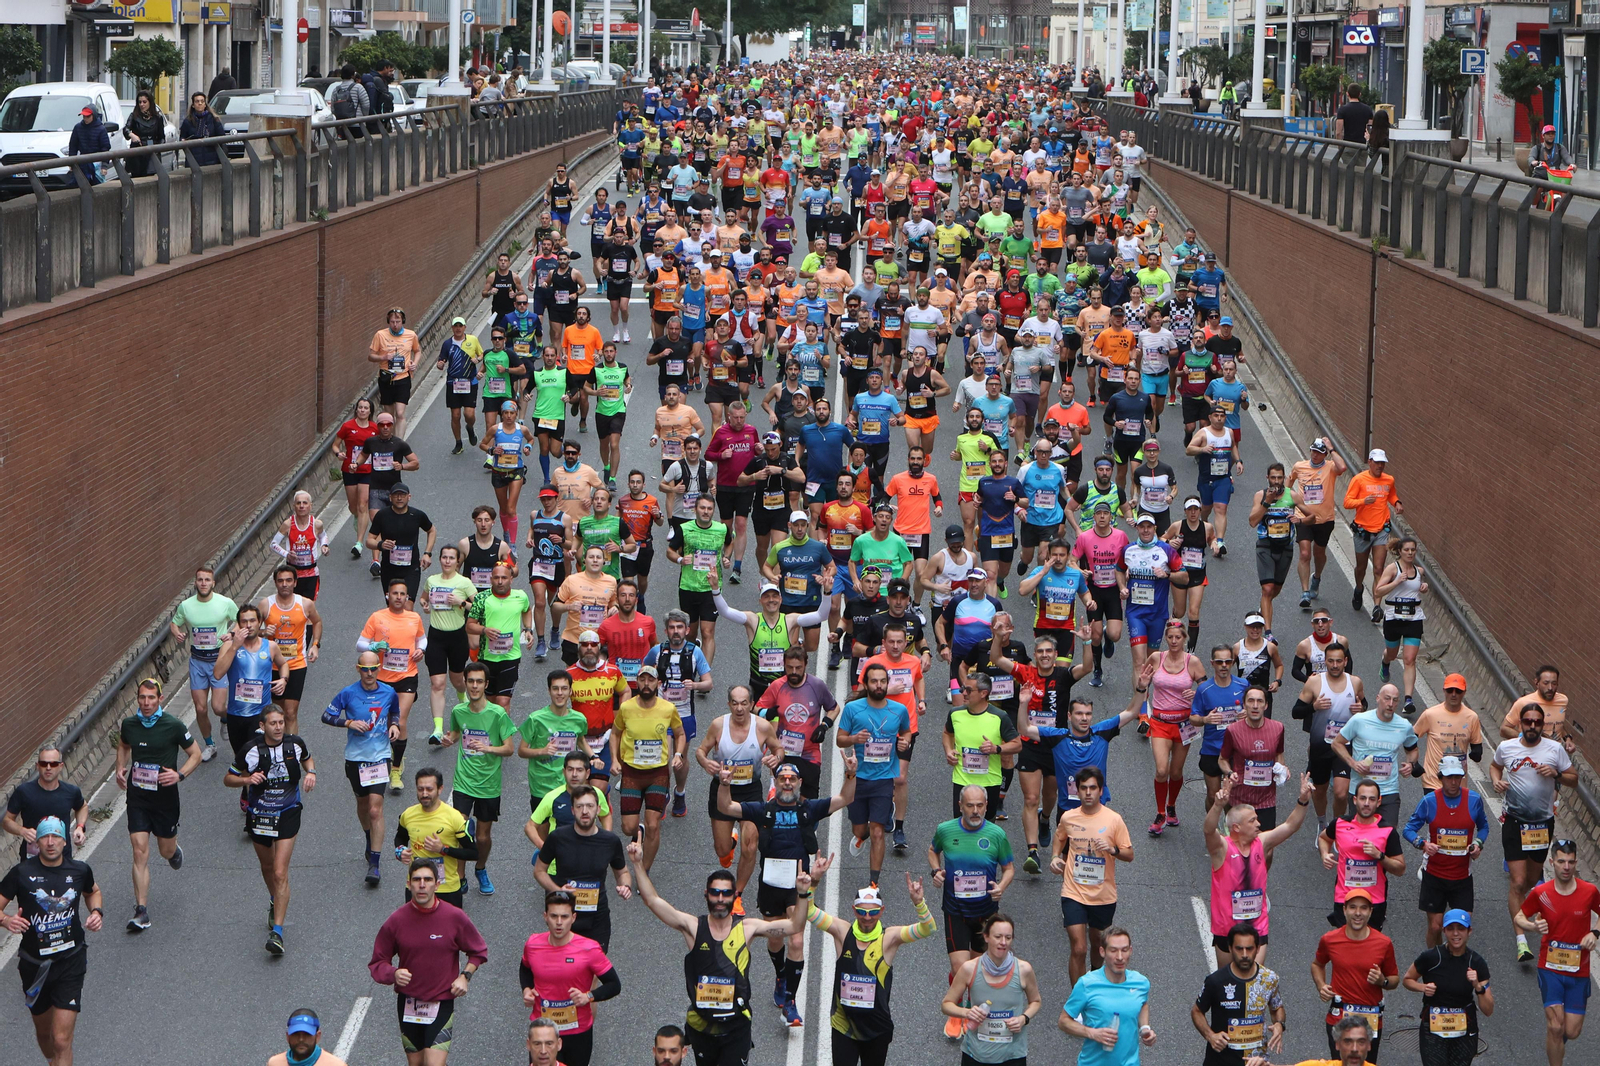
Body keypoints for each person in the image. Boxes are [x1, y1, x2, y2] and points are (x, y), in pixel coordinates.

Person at [629, 840, 810, 1066]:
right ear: (706, 894)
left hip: (736, 1026)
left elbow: (794, 926)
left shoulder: (747, 928)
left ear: (735, 895)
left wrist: (803, 894)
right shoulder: (694, 927)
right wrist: (637, 863)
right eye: (715, 893)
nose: (720, 899)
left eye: (726, 893)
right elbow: (652, 900)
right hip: (702, 1026)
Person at [0, 815, 101, 1065]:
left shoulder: (79, 871)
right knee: (45, 1035)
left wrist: (97, 912)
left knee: (61, 1039)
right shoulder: (22, 873)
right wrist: (6, 921)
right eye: (45, 836)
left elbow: (93, 891)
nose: (50, 842)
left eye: (56, 836)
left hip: (70, 961)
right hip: (34, 965)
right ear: (38, 842)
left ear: (64, 841)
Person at [368, 860, 488, 1066]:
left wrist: (464, 976)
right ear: (409, 884)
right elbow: (378, 962)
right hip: (409, 1003)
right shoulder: (397, 920)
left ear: (437, 884)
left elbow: (478, 951)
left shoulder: (454, 917)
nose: (422, 885)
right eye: (416, 880)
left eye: (427, 880)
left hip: (441, 1001)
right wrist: (393, 974)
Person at [223, 704, 314, 955]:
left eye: (281, 722)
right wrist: (246, 780)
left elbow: (307, 759)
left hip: (287, 812)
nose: (278, 727)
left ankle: (278, 932)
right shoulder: (250, 750)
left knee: (279, 871)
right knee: (267, 867)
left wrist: (312, 773)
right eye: (273, 723)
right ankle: (275, 900)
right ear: (262, 726)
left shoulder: (295, 744)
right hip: (260, 815)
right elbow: (228, 778)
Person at [1492, 703, 1577, 962]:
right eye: (1527, 721)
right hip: (1515, 822)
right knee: (1517, 882)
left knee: (1530, 880)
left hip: (1542, 825)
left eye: (1536, 722)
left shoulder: (1554, 750)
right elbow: (1495, 765)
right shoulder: (1507, 748)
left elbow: (1573, 779)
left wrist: (1557, 774)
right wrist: (1496, 780)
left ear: (1542, 724)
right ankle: (1521, 941)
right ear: (1520, 724)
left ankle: (1520, 904)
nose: (1531, 726)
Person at [115, 678, 201, 932]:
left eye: (151, 698)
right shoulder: (130, 724)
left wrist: (180, 775)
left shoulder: (172, 726)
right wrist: (120, 767)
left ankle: (173, 852)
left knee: (164, 851)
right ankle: (141, 911)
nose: (146, 702)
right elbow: (123, 745)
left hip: (165, 798)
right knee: (139, 850)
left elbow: (195, 754)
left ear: (160, 699)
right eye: (142, 697)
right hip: (138, 797)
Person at [1203, 771, 1313, 969]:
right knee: (1229, 984)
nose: (1259, 824)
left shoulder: (1261, 843)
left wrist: (1303, 801)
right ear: (1236, 827)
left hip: (1257, 927)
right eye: (1252, 821)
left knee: (1254, 981)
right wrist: (1218, 805)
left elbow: (1290, 826)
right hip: (1227, 928)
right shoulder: (1222, 849)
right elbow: (1208, 830)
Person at [1515, 839, 1599, 1066]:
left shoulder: (1589, 891)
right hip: (1549, 967)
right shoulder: (1541, 893)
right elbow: (1519, 916)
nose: (1566, 867)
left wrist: (1595, 932)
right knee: (1555, 1026)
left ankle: (1556, 1044)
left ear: (1576, 863)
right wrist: (1532, 926)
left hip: (1578, 970)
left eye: (1571, 862)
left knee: (1571, 1031)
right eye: (1561, 861)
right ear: (1552, 862)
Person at [1047, 767, 1133, 988]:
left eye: (1092, 788)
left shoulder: (1114, 820)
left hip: (1103, 895)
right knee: (1079, 947)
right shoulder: (1069, 817)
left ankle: (1095, 983)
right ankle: (1079, 997)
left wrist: (1113, 850)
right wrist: (1056, 857)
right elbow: (1059, 838)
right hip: (1073, 891)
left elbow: (1129, 854)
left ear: (1100, 790)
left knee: (1097, 945)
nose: (1087, 793)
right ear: (1077, 790)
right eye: (1083, 788)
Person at [436, 661, 516, 894]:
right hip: (464, 780)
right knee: (459, 829)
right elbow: (456, 733)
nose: (474, 686)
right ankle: (460, 877)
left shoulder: (497, 714)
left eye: (479, 682)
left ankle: (480, 868)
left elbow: (510, 748)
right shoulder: (458, 711)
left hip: (489, 784)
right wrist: (449, 740)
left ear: (486, 684)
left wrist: (488, 748)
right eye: (470, 681)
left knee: (482, 837)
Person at [519, 890, 623, 1066]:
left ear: (573, 918)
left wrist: (588, 996)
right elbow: (525, 969)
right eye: (554, 916)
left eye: (565, 917)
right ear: (545, 916)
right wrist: (527, 989)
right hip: (543, 1032)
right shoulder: (533, 944)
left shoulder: (589, 949)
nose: (559, 923)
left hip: (577, 1031)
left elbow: (614, 984)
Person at [838, 663, 914, 886]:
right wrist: (853, 739)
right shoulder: (853, 709)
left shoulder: (898, 710)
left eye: (883, 681)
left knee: (878, 831)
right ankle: (862, 836)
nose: (879, 685)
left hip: (883, 778)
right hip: (858, 778)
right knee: (860, 829)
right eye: (874, 681)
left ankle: (873, 885)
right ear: (866, 683)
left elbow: (907, 732)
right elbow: (839, 739)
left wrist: (905, 741)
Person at [1401, 755, 1490, 947]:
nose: (1453, 782)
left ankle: (1453, 963)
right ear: (1440, 778)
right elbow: (1408, 830)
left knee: (1461, 927)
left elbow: (1484, 827)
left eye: (1457, 777)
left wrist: (1478, 844)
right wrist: (1423, 844)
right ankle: (1433, 962)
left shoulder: (1473, 800)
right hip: (1434, 874)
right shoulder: (1429, 801)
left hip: (1461, 877)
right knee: (1435, 927)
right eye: (1449, 777)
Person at [533, 785, 632, 951]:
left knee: (594, 968)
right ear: (572, 810)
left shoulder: (610, 841)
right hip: (565, 915)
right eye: (579, 806)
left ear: (598, 809)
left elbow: (623, 872)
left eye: (590, 806)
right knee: (567, 967)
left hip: (597, 915)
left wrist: (625, 886)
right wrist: (558, 890)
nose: (585, 811)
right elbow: (539, 871)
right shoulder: (558, 837)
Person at [940, 912, 1043, 1058]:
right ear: (986, 937)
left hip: (1012, 1056)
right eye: (998, 937)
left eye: (1008, 938)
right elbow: (946, 1005)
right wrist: (967, 1013)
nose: (1003, 942)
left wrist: (1023, 1018)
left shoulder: (1024, 969)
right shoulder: (969, 969)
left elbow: (1036, 1001)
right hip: (976, 1055)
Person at [1402, 910, 1494, 1066]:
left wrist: (1478, 986)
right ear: (1444, 931)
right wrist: (1422, 987)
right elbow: (1407, 979)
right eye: (1451, 929)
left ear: (1469, 931)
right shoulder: (1431, 957)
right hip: (1434, 1025)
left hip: (1464, 1027)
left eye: (1461, 928)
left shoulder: (1477, 962)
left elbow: (1488, 1009)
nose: (1456, 934)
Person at [358, 579, 426, 791]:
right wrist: (373, 645)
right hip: (382, 678)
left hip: (407, 676)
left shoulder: (414, 617)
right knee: (385, 721)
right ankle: (388, 754)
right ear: (388, 595)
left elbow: (422, 639)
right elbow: (360, 643)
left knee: (400, 720)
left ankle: (395, 770)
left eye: (402, 594)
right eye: (394, 593)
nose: (398, 597)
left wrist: (420, 650)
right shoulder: (377, 617)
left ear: (407, 597)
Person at [1059, 925, 1157, 1065]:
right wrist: (1092, 1033)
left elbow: (1142, 1004)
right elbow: (1064, 1021)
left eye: (1124, 950)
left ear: (1130, 951)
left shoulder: (1140, 983)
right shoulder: (1087, 984)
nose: (1119, 957)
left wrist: (1145, 1028)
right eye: (1113, 950)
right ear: (1102, 952)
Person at [1191, 925, 1286, 1066]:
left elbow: (1277, 1008)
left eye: (1249, 948)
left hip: (1256, 1061)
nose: (1245, 954)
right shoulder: (1215, 981)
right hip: (1221, 1061)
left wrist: (1279, 1024)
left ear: (1258, 949)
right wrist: (1210, 1036)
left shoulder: (1269, 979)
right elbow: (1197, 1011)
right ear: (1230, 948)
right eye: (1239, 948)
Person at [170, 565, 238, 759]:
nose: (203, 583)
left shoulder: (225, 603)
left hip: (219, 660)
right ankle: (209, 745)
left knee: (218, 707)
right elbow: (174, 623)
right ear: (195, 583)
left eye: (207, 580)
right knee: (200, 708)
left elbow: (242, 619)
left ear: (213, 583)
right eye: (200, 580)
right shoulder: (186, 605)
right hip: (197, 661)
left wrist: (231, 634)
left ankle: (225, 718)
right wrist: (177, 633)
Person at [1320, 778, 1406, 931]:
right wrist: (1324, 854)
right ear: (1355, 800)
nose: (1367, 803)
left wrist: (1379, 856)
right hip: (1345, 899)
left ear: (1378, 802)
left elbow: (1400, 869)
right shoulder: (1340, 824)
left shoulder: (1387, 831)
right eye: (1363, 798)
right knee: (1344, 949)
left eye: (1372, 799)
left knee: (1370, 950)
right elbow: (1324, 838)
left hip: (1374, 901)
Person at [395, 766, 476, 909]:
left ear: (440, 789)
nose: (424, 794)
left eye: (429, 789)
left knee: (449, 931)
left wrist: (443, 849)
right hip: (417, 888)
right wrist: (400, 851)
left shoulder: (454, 818)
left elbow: (473, 853)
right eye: (420, 789)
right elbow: (400, 838)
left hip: (447, 889)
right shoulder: (408, 815)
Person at [1343, 449, 1402, 619]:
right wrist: (1363, 501)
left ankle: (1377, 606)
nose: (1380, 466)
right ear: (1369, 462)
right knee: (1361, 567)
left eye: (1382, 463)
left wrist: (1397, 502)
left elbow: (1391, 494)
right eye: (1377, 463)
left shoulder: (1389, 479)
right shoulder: (1359, 480)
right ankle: (1359, 587)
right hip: (1362, 531)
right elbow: (1347, 502)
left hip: (1381, 530)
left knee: (1378, 569)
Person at [4, 746, 87, 862]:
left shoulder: (71, 792)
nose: (48, 768)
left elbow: (82, 806)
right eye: (44, 764)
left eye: (53, 764)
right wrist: (22, 831)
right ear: (38, 766)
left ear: (60, 766)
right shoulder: (24, 792)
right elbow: (6, 820)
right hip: (32, 859)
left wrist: (80, 827)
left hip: (62, 859)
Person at [269, 1009, 350, 1066]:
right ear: (288, 1037)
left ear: (317, 1036)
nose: (301, 1039)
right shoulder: (274, 1063)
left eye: (307, 1034)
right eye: (296, 1034)